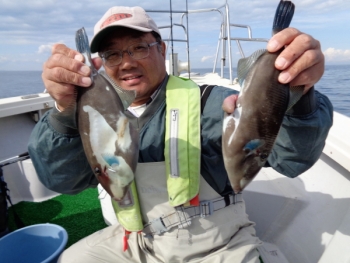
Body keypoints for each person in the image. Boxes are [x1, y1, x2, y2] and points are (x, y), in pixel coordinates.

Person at [28, 6, 333, 263]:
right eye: (112, 54)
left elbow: (291, 159)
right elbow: (62, 180)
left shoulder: (210, 103)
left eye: (138, 47)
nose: (127, 62)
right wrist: (65, 113)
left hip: (215, 248)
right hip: (133, 243)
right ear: (102, 64)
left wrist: (296, 96)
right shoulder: (89, 114)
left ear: (161, 49)